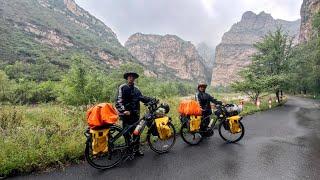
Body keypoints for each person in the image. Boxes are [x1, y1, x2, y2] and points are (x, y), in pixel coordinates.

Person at [115, 72, 152, 156]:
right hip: (126, 115)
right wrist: (123, 111)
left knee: (136, 132)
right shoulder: (122, 87)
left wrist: (151, 100)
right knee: (126, 133)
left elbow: (142, 98)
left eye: (133, 77)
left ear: (134, 79)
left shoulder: (136, 89)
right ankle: (129, 150)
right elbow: (118, 101)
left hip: (135, 115)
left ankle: (136, 150)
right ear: (127, 78)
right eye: (130, 77)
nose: (131, 78)